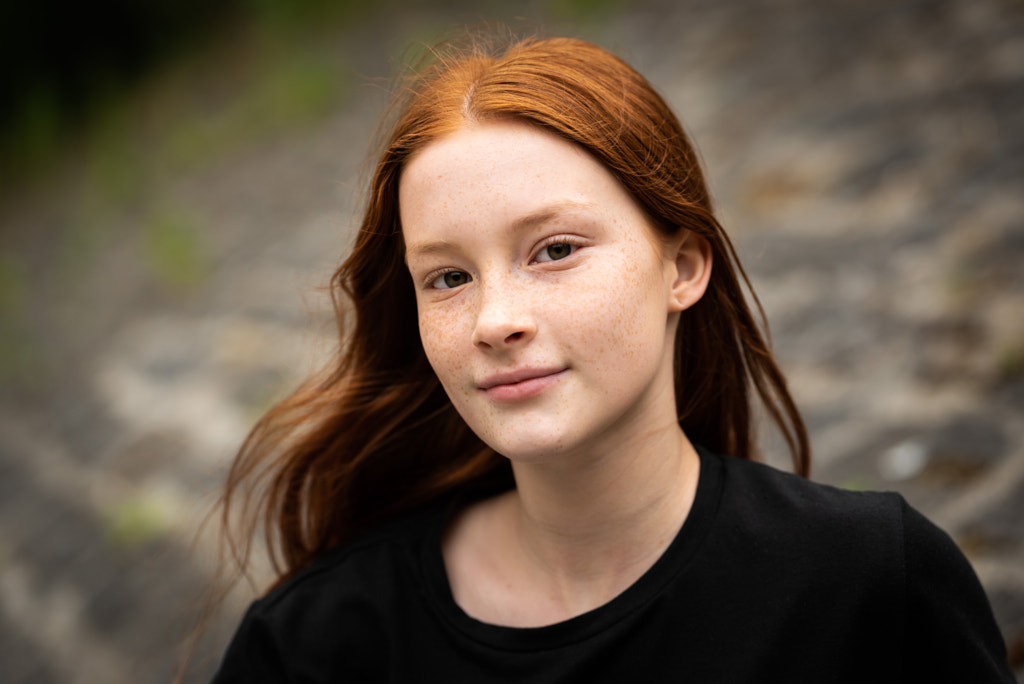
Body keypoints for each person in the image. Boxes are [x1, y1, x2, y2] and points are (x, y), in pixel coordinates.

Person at [209, 35, 1013, 682]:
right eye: (447, 277)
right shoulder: (314, 645)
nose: (495, 320)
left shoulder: (871, 581)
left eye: (555, 249)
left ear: (684, 266)